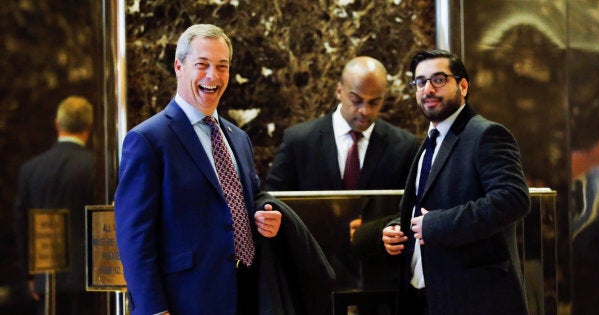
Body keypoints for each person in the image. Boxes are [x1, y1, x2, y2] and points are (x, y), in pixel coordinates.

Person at [114, 24, 333, 315]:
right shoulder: (148, 140)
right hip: (186, 301)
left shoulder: (238, 138)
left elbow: (249, 198)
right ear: (179, 66)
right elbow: (134, 237)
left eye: (222, 66)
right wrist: (154, 309)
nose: (212, 76)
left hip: (248, 294)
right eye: (202, 65)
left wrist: (267, 215)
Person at [381, 49, 530, 315]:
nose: (427, 89)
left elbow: (513, 199)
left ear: (463, 85)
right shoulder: (429, 142)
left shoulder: (486, 134)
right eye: (420, 81)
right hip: (423, 292)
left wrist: (437, 224)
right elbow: (427, 205)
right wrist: (400, 227)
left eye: (439, 79)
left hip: (473, 297)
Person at [265, 56, 419, 302]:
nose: (364, 111)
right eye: (356, 100)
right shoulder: (300, 141)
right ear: (339, 91)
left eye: (374, 102)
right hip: (314, 272)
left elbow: (409, 208)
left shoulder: (405, 145)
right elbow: (275, 202)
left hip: (379, 279)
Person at [13, 95, 100, 315]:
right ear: (90, 126)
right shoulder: (97, 168)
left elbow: (22, 226)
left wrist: (31, 275)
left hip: (45, 278)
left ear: (57, 124)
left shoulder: (30, 169)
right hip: (89, 280)